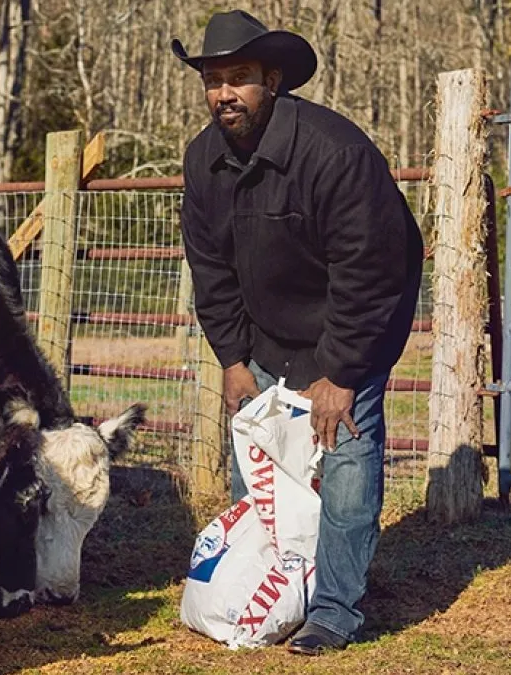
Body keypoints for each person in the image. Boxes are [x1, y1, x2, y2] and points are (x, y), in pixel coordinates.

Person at [172, 9, 424, 656]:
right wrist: (232, 357)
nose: (223, 93)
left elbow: (371, 269)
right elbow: (211, 267)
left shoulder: (334, 153)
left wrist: (342, 373)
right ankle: (262, 586)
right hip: (263, 331)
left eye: (240, 78)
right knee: (258, 462)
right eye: (212, 80)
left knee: (342, 460)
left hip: (352, 326)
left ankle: (336, 608)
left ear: (273, 81)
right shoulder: (203, 161)